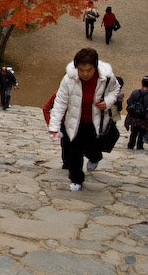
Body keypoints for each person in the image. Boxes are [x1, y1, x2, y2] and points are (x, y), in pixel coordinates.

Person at [49, 48, 120, 191]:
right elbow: (60, 102)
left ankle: (95, 157)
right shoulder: (68, 79)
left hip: (96, 122)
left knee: (92, 148)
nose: (85, 74)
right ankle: (76, 179)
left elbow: (116, 90)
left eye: (89, 70)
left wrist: (107, 102)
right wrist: (54, 126)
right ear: (76, 68)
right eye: (81, 70)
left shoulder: (106, 77)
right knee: (75, 150)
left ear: (95, 67)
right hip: (75, 121)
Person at [42, 91, 70, 169]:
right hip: (64, 124)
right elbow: (46, 109)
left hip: (81, 123)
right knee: (65, 144)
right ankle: (67, 164)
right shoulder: (58, 94)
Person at [125, 76, 148, 151]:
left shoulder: (135, 92)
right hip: (144, 119)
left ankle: (131, 145)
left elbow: (129, 102)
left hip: (134, 118)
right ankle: (139, 146)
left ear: (142, 83)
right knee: (142, 133)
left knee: (134, 132)